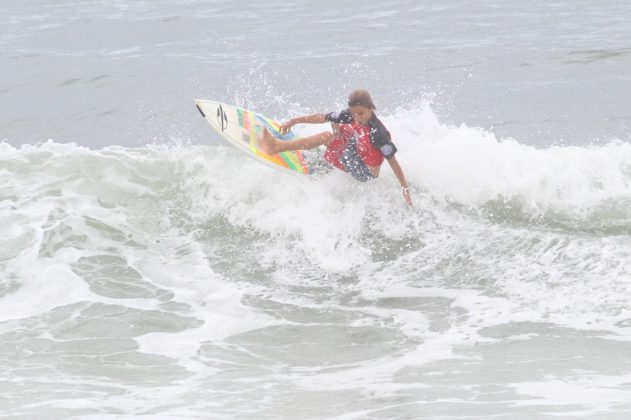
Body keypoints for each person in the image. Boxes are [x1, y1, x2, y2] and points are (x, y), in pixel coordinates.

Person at [259, 89, 412, 207]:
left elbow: (393, 162)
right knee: (335, 121)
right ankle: (333, 149)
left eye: (361, 114)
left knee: (326, 136)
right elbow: (322, 117)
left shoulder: (378, 134)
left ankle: (277, 147)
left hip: (364, 171)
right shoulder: (353, 115)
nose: (357, 118)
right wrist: (294, 121)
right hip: (358, 149)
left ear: (371, 108)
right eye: (354, 114)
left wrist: (404, 188)